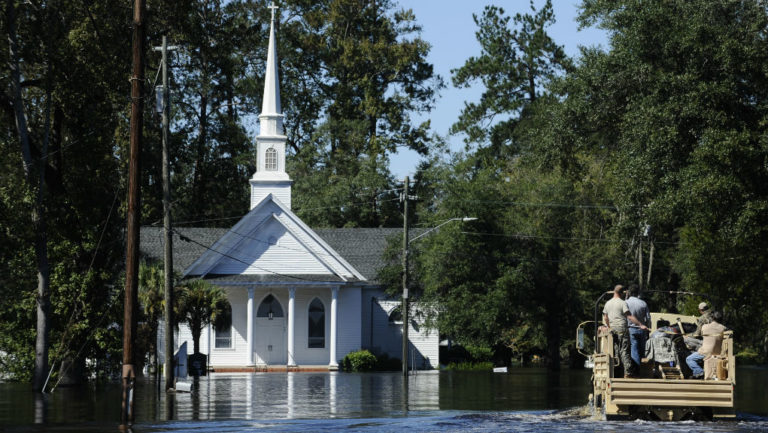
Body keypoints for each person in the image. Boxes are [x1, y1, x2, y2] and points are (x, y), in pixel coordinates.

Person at [603, 285, 649, 377]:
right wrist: (641, 325)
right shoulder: (622, 303)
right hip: (622, 329)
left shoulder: (607, 303)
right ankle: (628, 372)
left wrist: (609, 327)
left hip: (612, 330)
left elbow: (605, 317)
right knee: (624, 351)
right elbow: (629, 316)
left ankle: (616, 371)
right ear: (622, 293)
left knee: (615, 351)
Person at [686, 311, 726, 379]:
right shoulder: (723, 328)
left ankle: (699, 371)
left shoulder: (704, 327)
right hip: (718, 352)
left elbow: (697, 335)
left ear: (712, 318)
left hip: (706, 352)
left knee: (689, 359)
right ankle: (698, 374)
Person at [625, 284, 651, 370]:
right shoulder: (643, 303)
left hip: (631, 329)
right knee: (642, 350)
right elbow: (648, 319)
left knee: (634, 350)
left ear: (629, 292)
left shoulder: (626, 303)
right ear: (638, 293)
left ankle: (636, 369)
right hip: (642, 330)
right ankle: (643, 369)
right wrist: (648, 330)